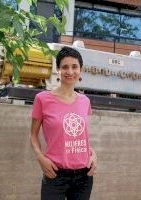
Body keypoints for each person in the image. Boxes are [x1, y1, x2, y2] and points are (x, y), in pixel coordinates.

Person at [30, 46, 97, 200]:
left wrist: (93, 154)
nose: (70, 71)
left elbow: (79, 137)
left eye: (74, 67)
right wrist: (40, 158)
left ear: (81, 70)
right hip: (55, 173)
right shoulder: (42, 99)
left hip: (84, 175)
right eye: (65, 67)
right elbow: (33, 134)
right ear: (58, 70)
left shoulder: (85, 101)